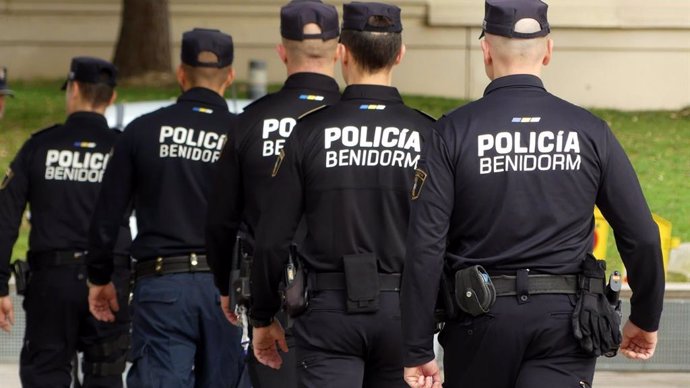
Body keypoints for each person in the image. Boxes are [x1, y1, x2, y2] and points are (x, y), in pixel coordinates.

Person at [400, 1, 665, 388]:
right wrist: (645, 317)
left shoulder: (452, 132)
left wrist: (417, 347)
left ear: (486, 51)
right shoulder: (590, 132)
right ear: (549, 51)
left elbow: (425, 245)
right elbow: (641, 233)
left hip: (479, 321)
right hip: (566, 325)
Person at [248, 2, 434, 387]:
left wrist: (263, 316)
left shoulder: (308, 132)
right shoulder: (428, 134)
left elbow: (272, 239)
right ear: (400, 54)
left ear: (342, 52)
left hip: (328, 311)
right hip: (404, 311)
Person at [86, 28, 245, 387]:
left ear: (181, 73)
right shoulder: (242, 134)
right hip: (226, 292)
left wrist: (100, 277)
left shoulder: (142, 131)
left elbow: (107, 215)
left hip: (162, 288)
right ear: (230, 75)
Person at [206, 0, 340, 386]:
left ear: (282, 52)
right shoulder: (349, 117)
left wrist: (223, 285)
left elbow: (220, 217)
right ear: (339, 51)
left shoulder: (249, 120)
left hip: (270, 292)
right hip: (344, 298)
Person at [0, 56, 132, 387]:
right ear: (111, 97)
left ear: (72, 90)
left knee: (46, 373)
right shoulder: (124, 149)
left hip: (51, 283)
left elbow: (6, 216)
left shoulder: (39, 146)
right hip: (110, 281)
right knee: (105, 373)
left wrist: (0, 282)